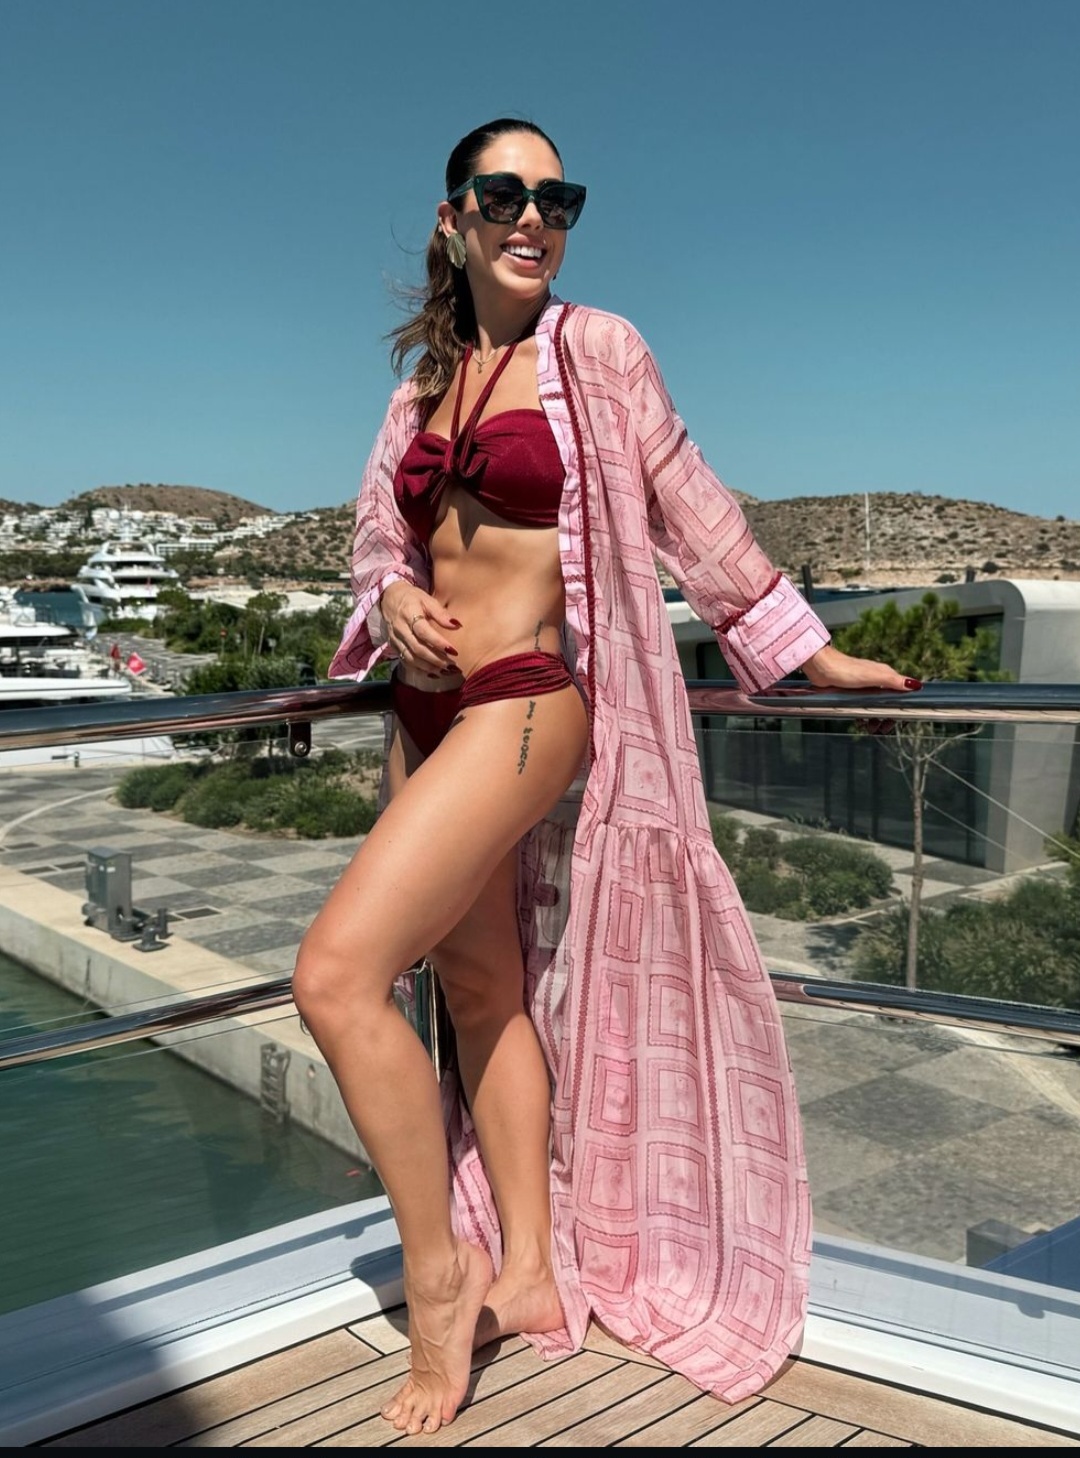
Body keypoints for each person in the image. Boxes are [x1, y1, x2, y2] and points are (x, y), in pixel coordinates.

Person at [292, 116, 919, 1437]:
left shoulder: (600, 350)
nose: (534, 217)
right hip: (421, 708)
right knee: (479, 989)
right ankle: (527, 1267)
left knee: (336, 976)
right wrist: (390, 594)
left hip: (525, 700)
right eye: (504, 194)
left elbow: (695, 506)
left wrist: (811, 655)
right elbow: (375, 540)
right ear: (453, 220)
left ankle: (438, 1271)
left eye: (557, 198)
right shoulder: (420, 389)